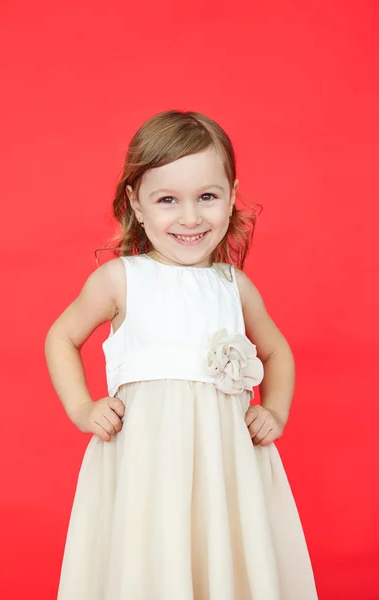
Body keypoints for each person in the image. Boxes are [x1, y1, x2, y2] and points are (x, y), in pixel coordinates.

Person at [45, 110, 318, 600]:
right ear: (137, 204)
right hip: (148, 466)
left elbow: (277, 351)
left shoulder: (234, 287)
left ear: (231, 196)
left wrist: (274, 409)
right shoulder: (120, 279)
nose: (190, 218)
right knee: (152, 560)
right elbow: (61, 337)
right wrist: (83, 408)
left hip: (224, 465)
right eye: (168, 200)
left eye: (207, 197)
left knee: (222, 561)